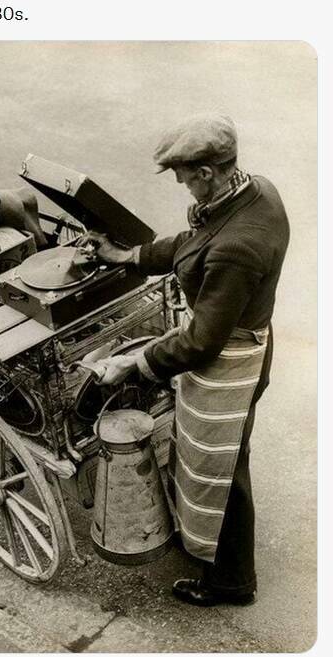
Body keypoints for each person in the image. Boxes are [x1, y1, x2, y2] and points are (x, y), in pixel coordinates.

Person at [78, 113, 289, 606]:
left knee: (224, 467)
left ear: (208, 172)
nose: (177, 181)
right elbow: (191, 247)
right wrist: (127, 256)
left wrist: (133, 363)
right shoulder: (252, 191)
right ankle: (211, 543)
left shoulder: (237, 247)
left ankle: (231, 583)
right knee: (217, 458)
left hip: (229, 360)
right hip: (240, 339)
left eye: (182, 173)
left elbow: (200, 344)